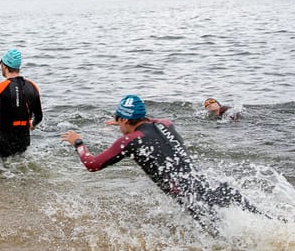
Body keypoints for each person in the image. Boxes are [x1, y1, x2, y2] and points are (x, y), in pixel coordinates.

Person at [61, 94, 260, 224]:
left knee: (229, 240)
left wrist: (78, 143)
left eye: (119, 118)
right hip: (209, 187)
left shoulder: (131, 140)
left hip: (191, 200)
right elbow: (151, 123)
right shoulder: (166, 123)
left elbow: (92, 164)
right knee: (264, 224)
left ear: (123, 119)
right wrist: (123, 121)